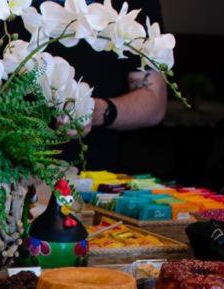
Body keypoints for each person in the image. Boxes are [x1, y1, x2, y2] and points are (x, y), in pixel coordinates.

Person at [50, 0, 168, 170]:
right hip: (6, 170)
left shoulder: (132, 5)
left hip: (96, 174)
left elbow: (154, 101)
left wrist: (97, 111)